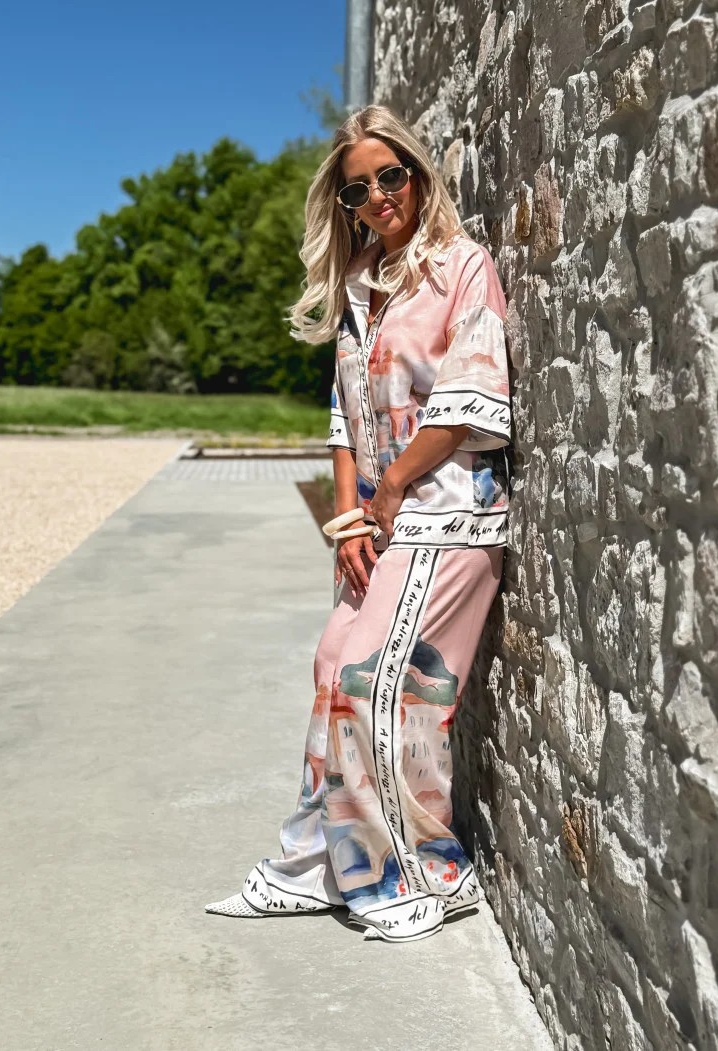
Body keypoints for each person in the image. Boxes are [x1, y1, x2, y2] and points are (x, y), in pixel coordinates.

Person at [206, 104, 511, 943]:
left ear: (416, 173)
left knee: (374, 680)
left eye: (390, 176)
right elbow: (345, 416)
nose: (378, 196)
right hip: (377, 523)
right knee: (331, 664)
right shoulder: (361, 284)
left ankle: (421, 873)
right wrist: (350, 525)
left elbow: (470, 397)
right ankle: (316, 865)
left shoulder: (462, 267)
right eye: (357, 189)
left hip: (448, 518)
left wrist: (394, 489)